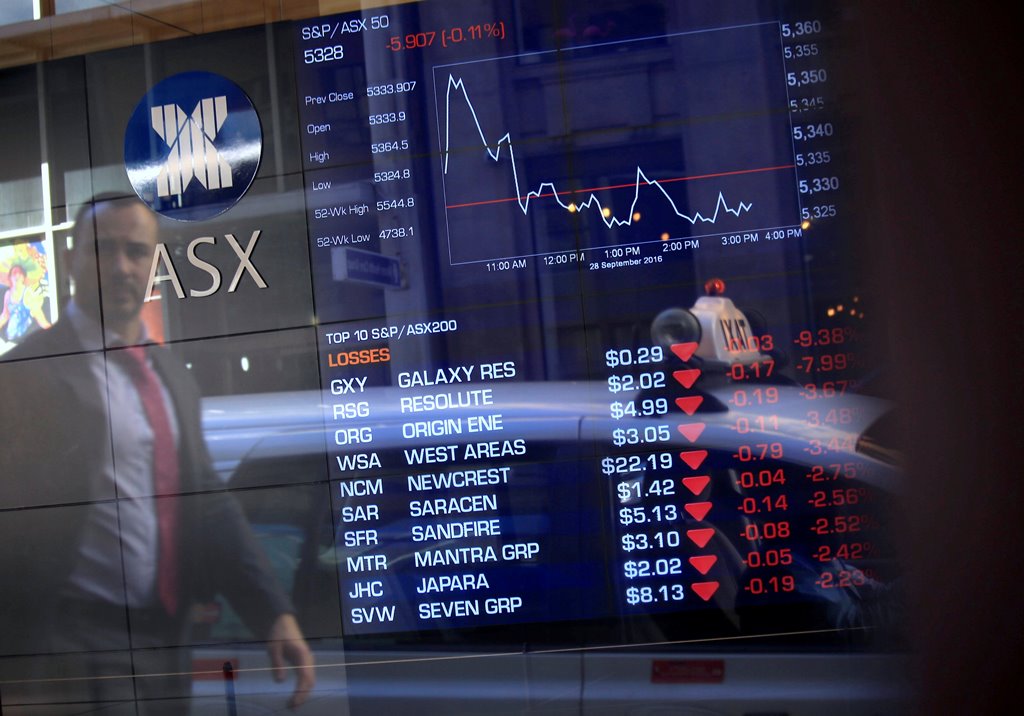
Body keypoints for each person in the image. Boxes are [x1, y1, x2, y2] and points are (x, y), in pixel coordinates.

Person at [0, 195, 314, 712]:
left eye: (136, 251)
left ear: (154, 262)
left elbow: (208, 503)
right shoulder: (21, 377)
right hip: (69, 652)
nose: (121, 266)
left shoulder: (170, 376)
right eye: (103, 249)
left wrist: (273, 614)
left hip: (166, 646)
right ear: (71, 259)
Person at [0, 263, 51, 342]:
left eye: (20, 273)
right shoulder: (8, 294)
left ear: (23, 277)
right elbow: (5, 315)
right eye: (14, 273)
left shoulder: (28, 294)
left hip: (23, 339)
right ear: (10, 277)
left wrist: (54, 331)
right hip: (9, 337)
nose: (17, 275)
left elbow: (39, 315)